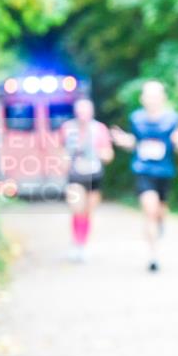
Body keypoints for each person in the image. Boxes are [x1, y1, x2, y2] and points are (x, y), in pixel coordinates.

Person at [110, 80, 178, 273]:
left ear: (163, 98)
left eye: (156, 95)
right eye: (148, 96)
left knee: (160, 212)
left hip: (165, 172)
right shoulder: (136, 118)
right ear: (142, 99)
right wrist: (123, 141)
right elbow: (135, 142)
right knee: (150, 210)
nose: (152, 100)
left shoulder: (172, 118)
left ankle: (160, 225)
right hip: (143, 171)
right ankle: (153, 256)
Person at [61, 97, 114, 262]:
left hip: (94, 175)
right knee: (77, 209)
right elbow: (60, 150)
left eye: (86, 111)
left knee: (88, 212)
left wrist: (99, 152)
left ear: (91, 112)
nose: (83, 115)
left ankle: (83, 244)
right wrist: (63, 162)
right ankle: (76, 242)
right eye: (80, 112)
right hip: (75, 175)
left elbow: (108, 155)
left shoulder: (99, 129)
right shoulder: (67, 128)